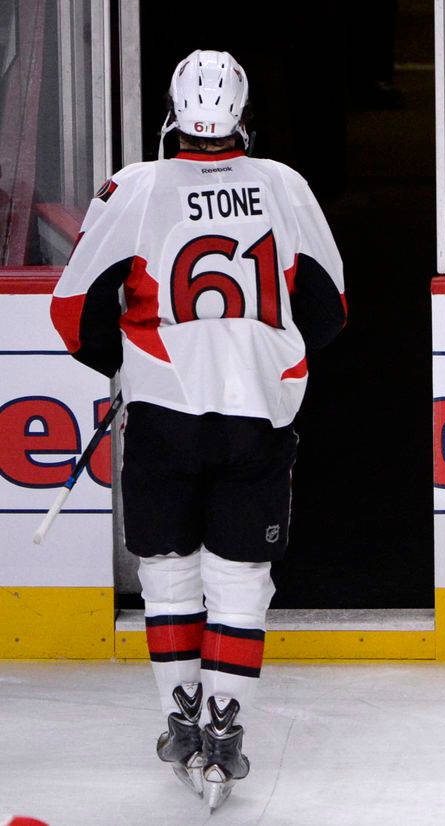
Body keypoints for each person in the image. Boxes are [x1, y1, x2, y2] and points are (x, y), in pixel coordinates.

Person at [49, 51, 346, 811]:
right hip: (257, 416)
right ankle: (225, 726)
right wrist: (261, 355)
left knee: (168, 567)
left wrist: (137, 364)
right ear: (244, 118)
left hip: (163, 416)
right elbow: (328, 309)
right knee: (240, 578)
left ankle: (180, 718)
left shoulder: (135, 187)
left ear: (172, 120)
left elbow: (73, 313)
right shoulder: (285, 185)